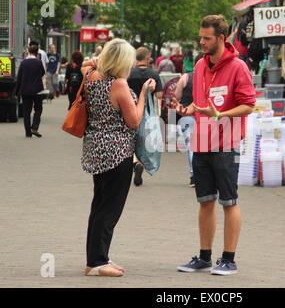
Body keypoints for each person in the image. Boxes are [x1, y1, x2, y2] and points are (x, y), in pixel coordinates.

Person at [172, 15, 255, 276]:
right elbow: (201, 106)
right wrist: (186, 110)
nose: (202, 42)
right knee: (205, 201)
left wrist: (219, 115)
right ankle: (204, 257)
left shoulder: (238, 67)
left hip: (226, 143)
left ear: (221, 38)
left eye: (207, 38)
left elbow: (249, 105)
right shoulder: (198, 66)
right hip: (201, 142)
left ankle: (229, 259)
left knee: (229, 201)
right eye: (201, 37)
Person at [81, 38, 156, 277]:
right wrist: (143, 93)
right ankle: (97, 262)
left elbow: (85, 65)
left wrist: (93, 62)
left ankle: (97, 257)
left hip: (96, 150)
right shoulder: (119, 85)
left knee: (99, 205)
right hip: (118, 152)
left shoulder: (91, 77)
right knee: (110, 209)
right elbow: (133, 121)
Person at [127, 46, 163, 187]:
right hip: (147, 112)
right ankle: (141, 161)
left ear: (136, 58)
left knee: (131, 138)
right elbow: (160, 95)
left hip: (130, 109)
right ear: (148, 59)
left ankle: (135, 161)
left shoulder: (129, 73)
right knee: (144, 139)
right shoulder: (154, 74)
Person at [175, 53, 203, 187]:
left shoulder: (186, 77)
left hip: (187, 115)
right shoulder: (210, 77)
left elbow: (177, 95)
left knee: (191, 145)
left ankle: (194, 175)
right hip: (205, 115)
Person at [15, 44, 46, 138]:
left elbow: (19, 78)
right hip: (37, 90)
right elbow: (43, 72)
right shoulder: (38, 62)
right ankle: (35, 127)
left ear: (28, 52)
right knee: (38, 109)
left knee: (26, 111)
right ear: (37, 53)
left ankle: (28, 132)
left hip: (25, 90)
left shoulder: (23, 63)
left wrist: (16, 92)